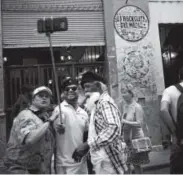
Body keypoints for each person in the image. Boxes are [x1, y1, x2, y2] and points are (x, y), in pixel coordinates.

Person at [72, 71, 127, 174]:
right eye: (84, 88)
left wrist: (87, 145)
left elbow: (113, 129)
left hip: (109, 162)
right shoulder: (97, 104)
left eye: (87, 86)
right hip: (103, 161)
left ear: (98, 85)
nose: (86, 91)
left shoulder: (105, 102)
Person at [3, 86, 59, 174]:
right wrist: (50, 120)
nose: (44, 97)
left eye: (47, 96)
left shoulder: (44, 116)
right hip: (21, 168)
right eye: (40, 96)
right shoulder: (25, 115)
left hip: (38, 167)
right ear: (33, 100)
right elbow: (30, 139)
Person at [53, 77, 89, 174]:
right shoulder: (59, 109)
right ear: (63, 93)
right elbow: (59, 125)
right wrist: (60, 127)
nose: (70, 90)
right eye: (67, 89)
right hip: (65, 164)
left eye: (73, 88)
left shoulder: (83, 112)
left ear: (79, 90)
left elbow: (86, 135)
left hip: (82, 161)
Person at [121, 86, 150, 174]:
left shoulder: (137, 107)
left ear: (131, 94)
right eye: (122, 93)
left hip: (135, 138)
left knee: (136, 164)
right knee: (126, 163)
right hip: (126, 138)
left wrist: (124, 121)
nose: (122, 95)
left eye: (125, 92)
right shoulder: (125, 106)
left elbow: (139, 123)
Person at [160, 67, 183, 174]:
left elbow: (163, 109)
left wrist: (174, 132)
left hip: (179, 140)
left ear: (179, 76)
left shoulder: (169, 90)